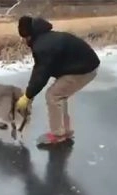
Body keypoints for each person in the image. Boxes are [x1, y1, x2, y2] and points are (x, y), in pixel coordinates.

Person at [15, 15, 101, 147]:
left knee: (53, 95)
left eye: (24, 37)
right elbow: (40, 69)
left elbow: (41, 73)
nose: (24, 41)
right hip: (85, 66)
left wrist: (28, 96)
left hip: (84, 70)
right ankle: (64, 130)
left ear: (28, 35)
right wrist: (29, 93)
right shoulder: (46, 38)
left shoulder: (43, 45)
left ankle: (58, 135)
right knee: (60, 94)